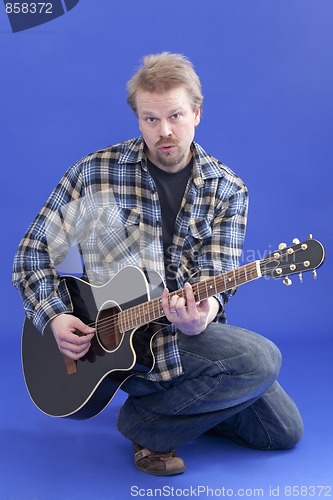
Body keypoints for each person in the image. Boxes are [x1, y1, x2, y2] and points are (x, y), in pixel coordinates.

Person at [13, 52, 303, 476]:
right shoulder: (94, 174)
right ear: (138, 119)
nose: (164, 131)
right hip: (114, 349)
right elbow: (31, 255)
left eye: (175, 116)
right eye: (151, 119)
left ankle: (160, 411)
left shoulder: (228, 189)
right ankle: (151, 426)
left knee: (283, 432)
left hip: (187, 339)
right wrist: (54, 317)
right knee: (261, 360)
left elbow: (216, 280)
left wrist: (204, 314)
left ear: (197, 114)